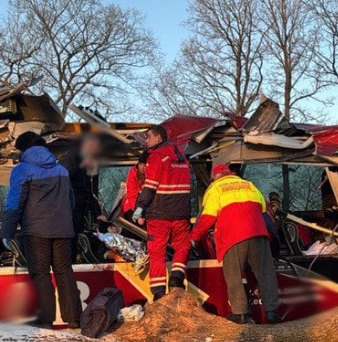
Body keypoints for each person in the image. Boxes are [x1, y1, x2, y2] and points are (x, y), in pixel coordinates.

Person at [1, 132, 82, 329]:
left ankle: (45, 320)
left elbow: (15, 202)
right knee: (64, 271)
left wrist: (7, 231)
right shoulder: (62, 170)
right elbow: (71, 201)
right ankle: (74, 319)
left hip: (36, 230)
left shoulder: (22, 170)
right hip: (63, 230)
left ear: (23, 149)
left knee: (40, 273)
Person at [190, 164, 281, 324]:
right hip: (258, 231)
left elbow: (208, 217)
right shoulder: (249, 185)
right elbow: (264, 208)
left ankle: (240, 313)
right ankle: (272, 312)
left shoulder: (215, 188)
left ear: (215, 177)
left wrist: (193, 237)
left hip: (233, 235)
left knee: (234, 274)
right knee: (265, 272)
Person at [133, 125, 192, 300]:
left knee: (156, 252)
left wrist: (139, 208)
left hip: (159, 215)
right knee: (182, 245)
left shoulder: (157, 157)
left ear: (159, 138)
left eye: (149, 137)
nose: (146, 140)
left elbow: (150, 187)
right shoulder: (183, 159)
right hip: (181, 214)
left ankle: (158, 293)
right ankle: (176, 278)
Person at [120, 150, 149, 221]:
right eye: (140, 164)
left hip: (147, 207)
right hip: (131, 206)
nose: (142, 167)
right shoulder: (133, 173)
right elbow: (131, 194)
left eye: (144, 165)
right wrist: (138, 211)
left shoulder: (151, 175)